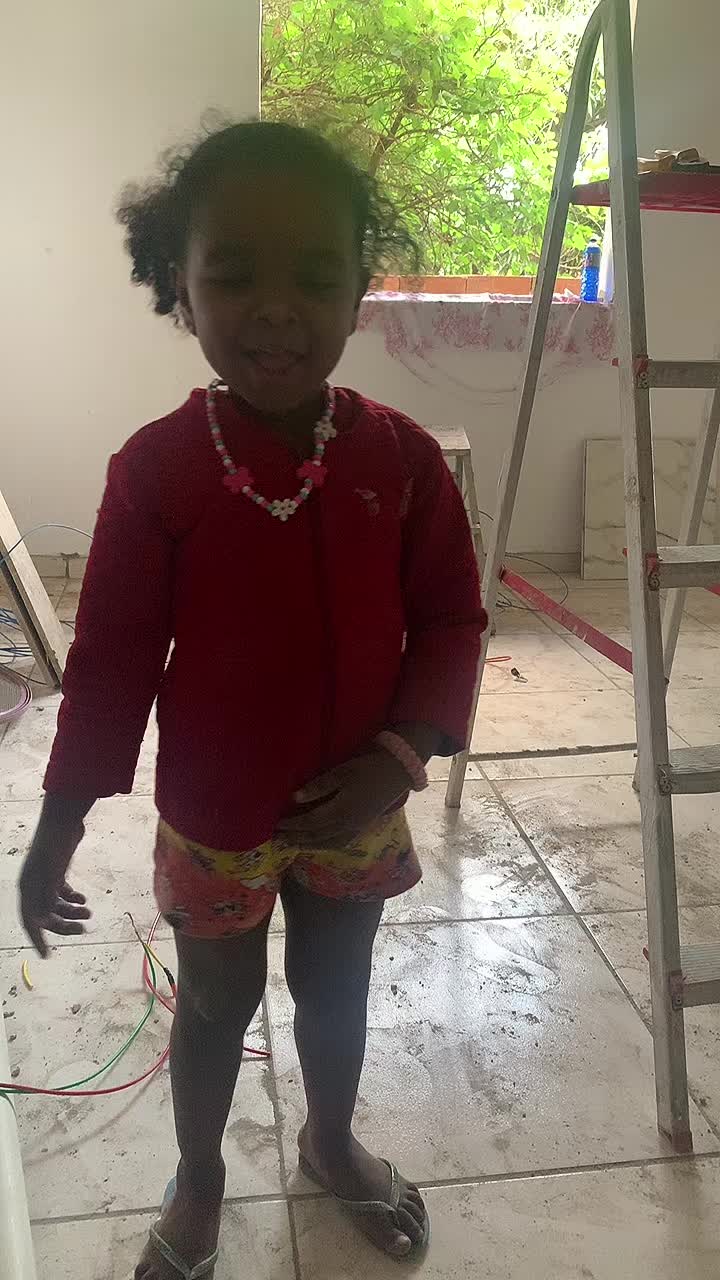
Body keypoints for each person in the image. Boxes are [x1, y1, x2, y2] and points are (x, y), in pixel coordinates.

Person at [18, 120, 486, 1279]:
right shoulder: (158, 468)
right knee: (214, 1006)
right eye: (233, 273)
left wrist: (402, 754)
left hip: (359, 805)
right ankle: (201, 1177)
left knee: (335, 988)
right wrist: (60, 819)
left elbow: (452, 620)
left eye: (315, 276)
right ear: (178, 288)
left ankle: (329, 1139)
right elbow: (113, 658)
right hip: (216, 819)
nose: (276, 308)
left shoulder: (402, 460)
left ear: (358, 295)